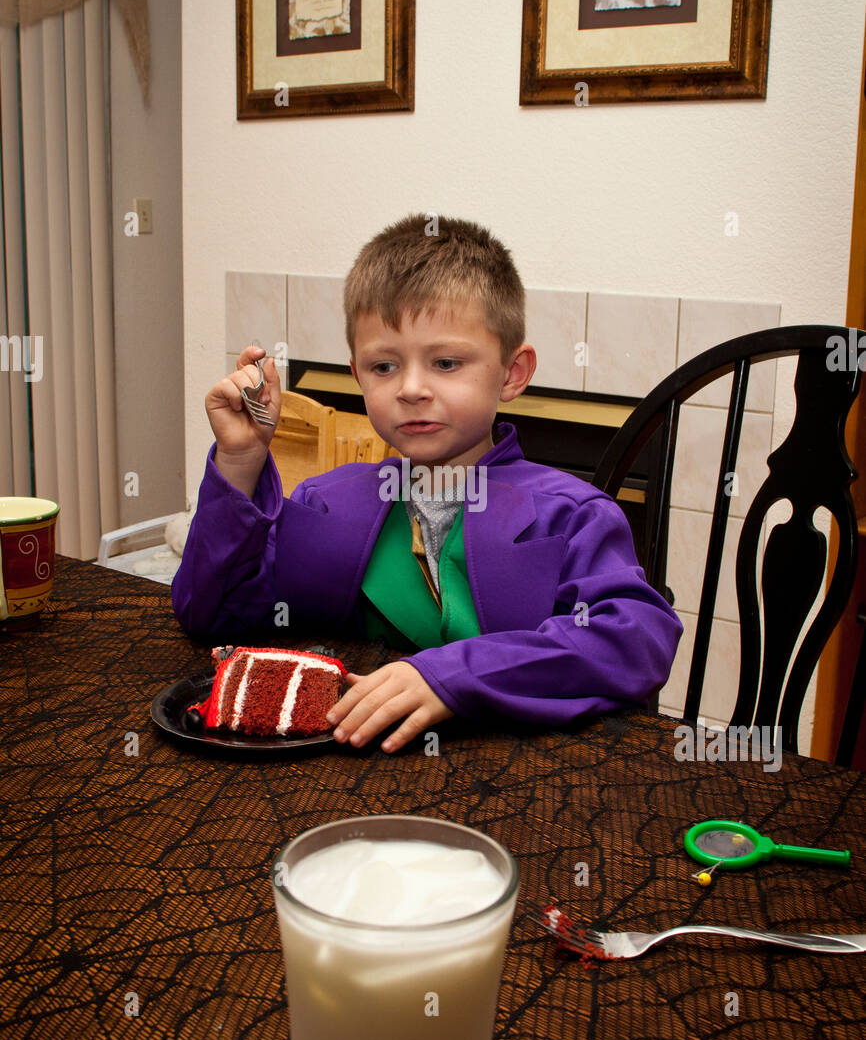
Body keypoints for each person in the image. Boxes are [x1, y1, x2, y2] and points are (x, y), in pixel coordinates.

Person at [172, 213, 682, 753]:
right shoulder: (327, 501)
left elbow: (637, 639)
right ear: (357, 375)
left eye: (445, 362)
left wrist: (456, 674)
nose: (412, 389)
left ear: (512, 372)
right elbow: (213, 614)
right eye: (384, 367)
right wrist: (241, 460)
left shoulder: (572, 514)